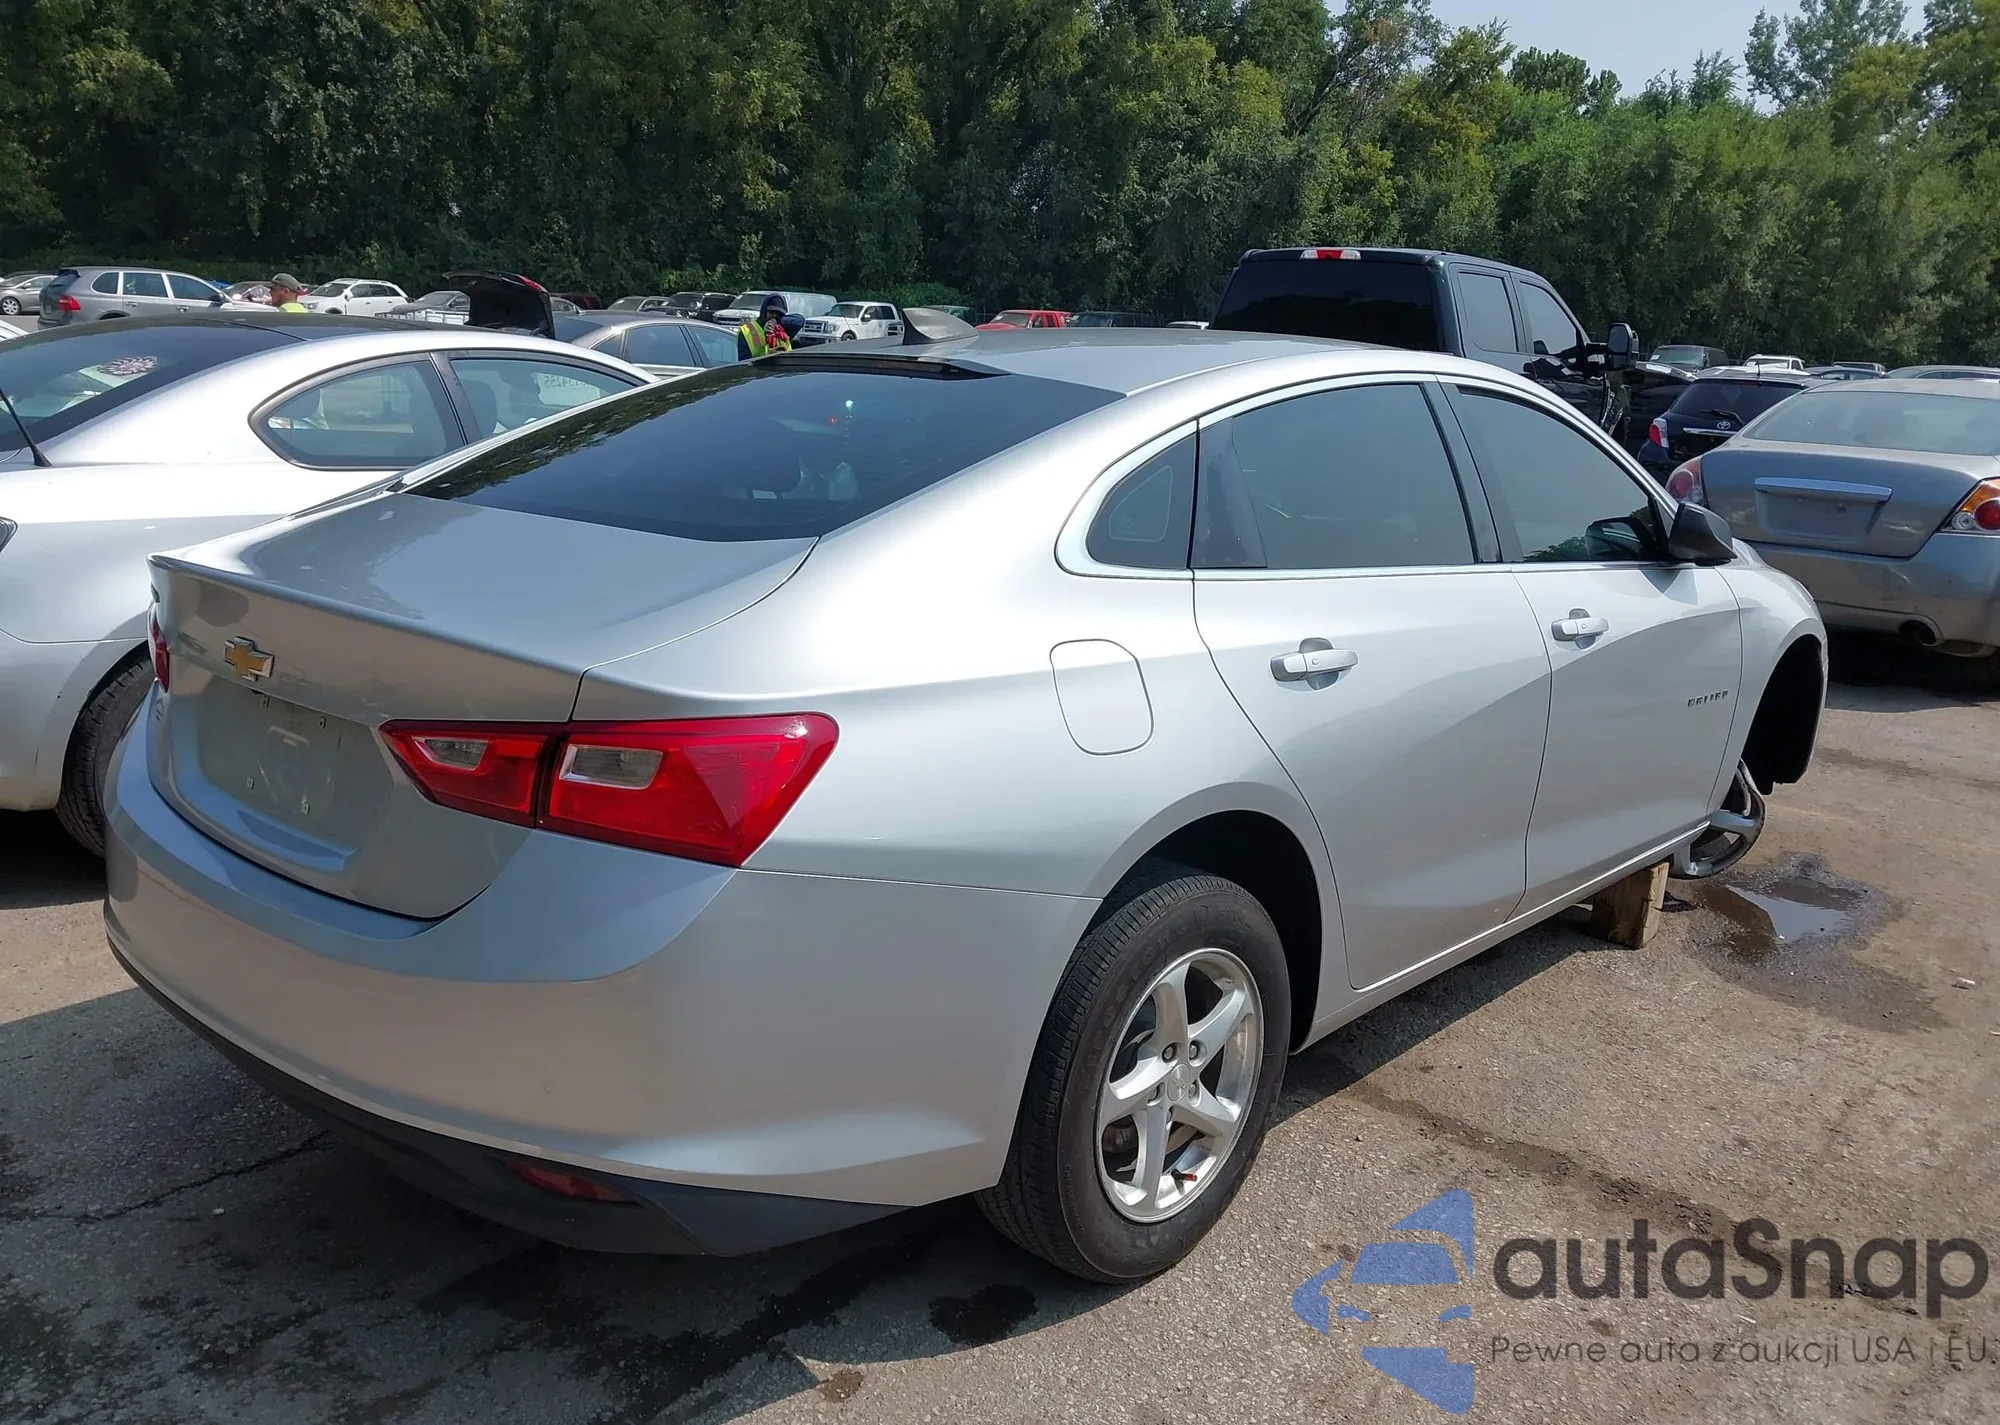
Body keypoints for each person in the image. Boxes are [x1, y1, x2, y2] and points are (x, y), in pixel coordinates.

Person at [736, 294, 792, 359]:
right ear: (764, 312)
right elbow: (744, 362)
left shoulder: (782, 330)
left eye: (779, 314)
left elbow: (799, 319)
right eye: (772, 312)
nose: (774, 316)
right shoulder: (747, 331)